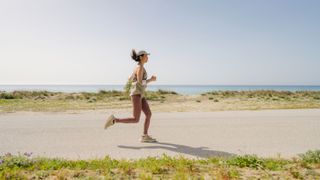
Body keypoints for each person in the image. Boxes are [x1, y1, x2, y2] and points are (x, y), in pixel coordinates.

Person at [104, 49, 157, 143]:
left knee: (148, 114)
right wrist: (151, 80)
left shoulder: (138, 67)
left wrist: (133, 81)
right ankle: (114, 120)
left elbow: (130, 79)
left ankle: (145, 136)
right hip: (137, 94)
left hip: (140, 94)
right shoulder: (140, 67)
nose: (147, 57)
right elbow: (140, 82)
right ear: (141, 57)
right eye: (146, 56)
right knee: (136, 119)